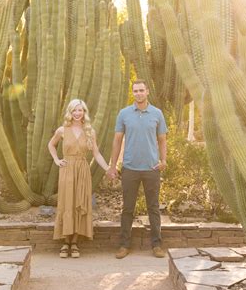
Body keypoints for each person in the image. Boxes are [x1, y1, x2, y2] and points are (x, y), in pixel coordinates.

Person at [107, 80, 167, 259]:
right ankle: (124, 245)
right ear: (133, 93)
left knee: (153, 208)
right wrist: (113, 165)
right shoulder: (124, 114)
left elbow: (162, 139)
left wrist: (163, 160)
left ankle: (157, 245)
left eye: (141, 90)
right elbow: (117, 140)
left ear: (147, 91)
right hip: (130, 168)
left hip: (151, 168)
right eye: (136, 91)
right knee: (127, 208)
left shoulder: (157, 113)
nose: (139, 93)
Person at [48, 99, 110, 258]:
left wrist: (108, 169)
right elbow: (51, 145)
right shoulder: (62, 130)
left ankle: (74, 243)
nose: (77, 113)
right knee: (67, 203)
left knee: (79, 203)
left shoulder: (90, 131)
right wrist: (56, 160)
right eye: (74, 110)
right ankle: (65, 242)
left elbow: (96, 153)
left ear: (84, 112)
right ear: (70, 112)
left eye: (80, 110)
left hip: (83, 170)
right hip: (67, 169)